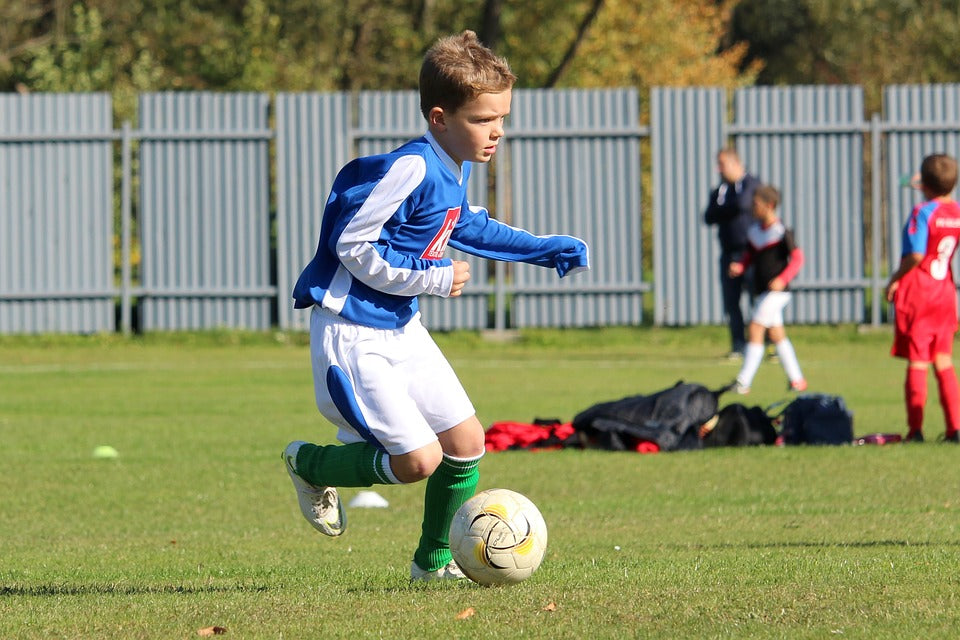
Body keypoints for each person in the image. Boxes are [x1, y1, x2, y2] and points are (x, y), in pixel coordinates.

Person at [281, 30, 589, 582]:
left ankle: (432, 565)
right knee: (416, 463)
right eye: (482, 120)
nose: (496, 131)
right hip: (354, 333)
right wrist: (433, 276)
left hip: (403, 329)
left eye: (502, 119)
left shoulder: (454, 166)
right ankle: (308, 463)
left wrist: (544, 249)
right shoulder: (414, 167)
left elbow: (466, 226)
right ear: (440, 117)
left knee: (468, 443)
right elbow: (350, 243)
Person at [885, 153, 960, 443]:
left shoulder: (922, 212)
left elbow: (916, 254)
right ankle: (954, 428)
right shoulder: (956, 212)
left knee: (918, 360)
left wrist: (895, 278)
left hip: (920, 291)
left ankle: (915, 430)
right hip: (945, 291)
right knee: (943, 359)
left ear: (925, 184)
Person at [729, 184, 806, 394]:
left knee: (754, 328)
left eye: (756, 204)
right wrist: (740, 266)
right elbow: (749, 256)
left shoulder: (781, 232)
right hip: (762, 291)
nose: (753, 209)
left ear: (769, 205)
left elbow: (798, 259)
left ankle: (743, 381)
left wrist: (783, 279)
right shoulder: (754, 232)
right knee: (776, 334)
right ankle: (797, 380)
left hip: (778, 293)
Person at [704, 148, 761, 359]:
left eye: (722, 164)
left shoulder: (752, 184)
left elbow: (744, 204)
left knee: (759, 300)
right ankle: (739, 345)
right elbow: (709, 216)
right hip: (728, 254)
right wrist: (728, 208)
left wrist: (724, 209)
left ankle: (766, 344)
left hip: (752, 253)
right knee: (731, 301)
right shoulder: (721, 190)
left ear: (735, 163)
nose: (719, 169)